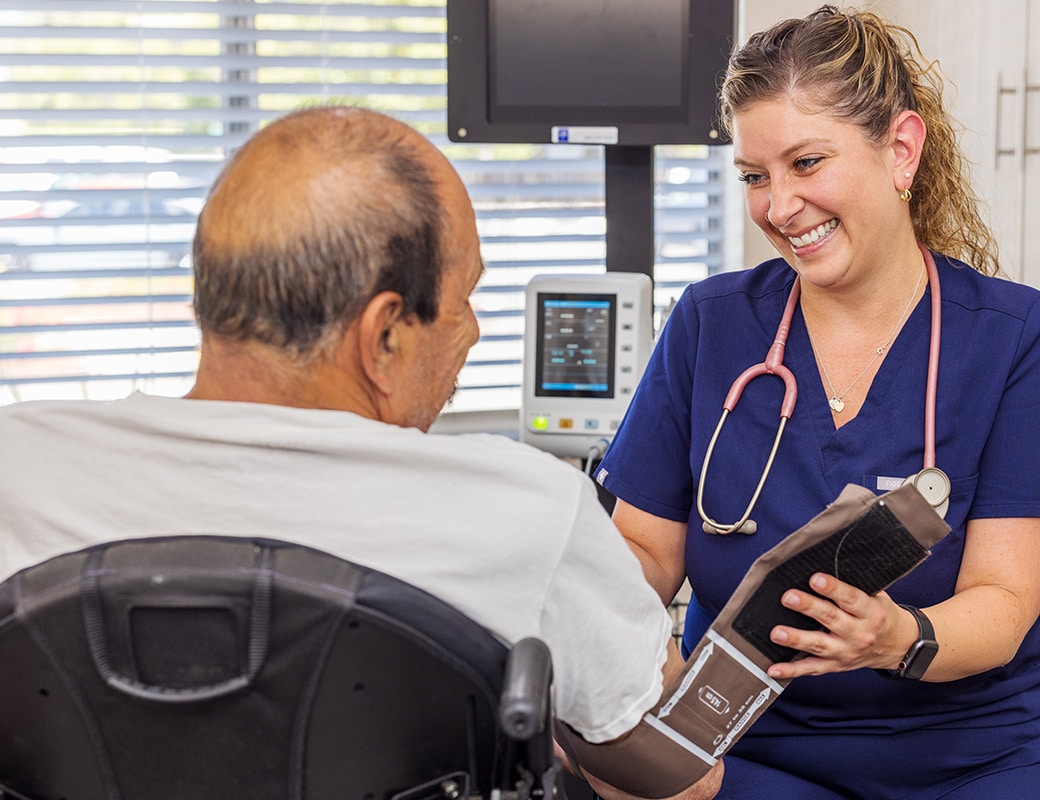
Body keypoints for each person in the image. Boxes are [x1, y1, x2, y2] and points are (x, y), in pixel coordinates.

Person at [0, 106, 721, 800]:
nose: (473, 331)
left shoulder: (18, 467)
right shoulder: (528, 512)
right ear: (385, 336)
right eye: (464, 300)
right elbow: (681, 778)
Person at [593, 6, 1040, 799]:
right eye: (755, 176)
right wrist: (613, 642)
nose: (779, 206)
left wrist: (895, 635)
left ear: (901, 150)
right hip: (747, 740)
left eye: (806, 162)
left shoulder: (1015, 337)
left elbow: (1004, 605)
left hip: (974, 752)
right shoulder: (711, 323)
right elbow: (646, 552)